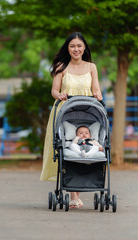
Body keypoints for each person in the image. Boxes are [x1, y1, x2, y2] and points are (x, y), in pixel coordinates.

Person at [39, 32, 103, 209]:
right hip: (64, 110)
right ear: (68, 48)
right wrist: (59, 95)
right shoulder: (61, 67)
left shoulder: (91, 67)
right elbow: (54, 90)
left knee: (82, 148)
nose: (76, 49)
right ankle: (73, 195)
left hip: (86, 112)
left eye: (79, 46)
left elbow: (96, 89)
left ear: (84, 48)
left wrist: (98, 94)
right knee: (65, 148)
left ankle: (77, 193)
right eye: (72, 46)